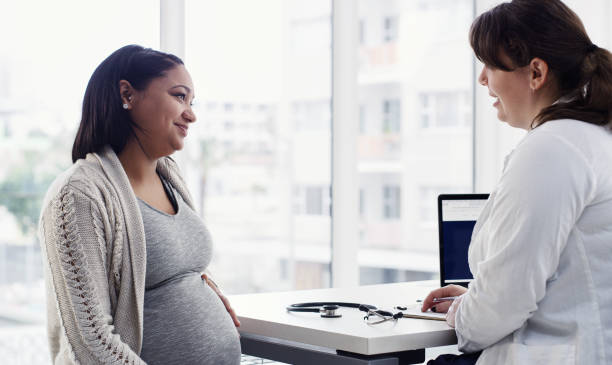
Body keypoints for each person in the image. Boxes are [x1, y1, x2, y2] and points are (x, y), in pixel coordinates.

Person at [420, 1, 612, 364]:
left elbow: (503, 304)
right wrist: (477, 299)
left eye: (490, 65)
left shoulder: (553, 148)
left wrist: (467, 310)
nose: (482, 79)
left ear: (536, 72)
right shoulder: (593, 138)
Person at [38, 45, 241, 365]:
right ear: (127, 95)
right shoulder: (78, 195)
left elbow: (171, 264)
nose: (191, 114)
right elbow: (90, 341)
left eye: (191, 101)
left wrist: (204, 290)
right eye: (179, 96)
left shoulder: (170, 175)